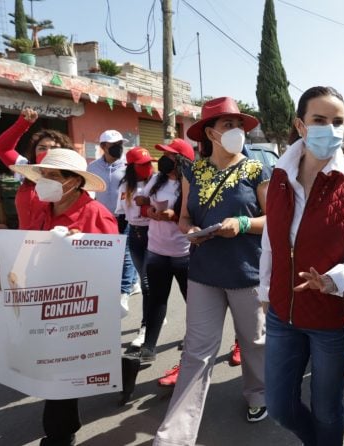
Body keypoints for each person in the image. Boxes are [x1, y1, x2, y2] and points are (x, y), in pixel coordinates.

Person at [153, 97, 270, 445]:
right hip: (203, 272)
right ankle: (174, 434)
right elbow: (186, 216)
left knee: (254, 342)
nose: (236, 131)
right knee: (197, 351)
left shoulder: (256, 169)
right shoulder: (193, 171)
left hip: (247, 272)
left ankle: (258, 394)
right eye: (227, 125)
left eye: (239, 125)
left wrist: (245, 222)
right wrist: (187, 230)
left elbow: (274, 219)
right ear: (210, 133)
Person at [260, 86, 344, 446]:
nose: (331, 129)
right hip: (282, 315)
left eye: (337, 121)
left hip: (330, 321)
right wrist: (265, 293)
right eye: (319, 120)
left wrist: (334, 279)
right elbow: (271, 242)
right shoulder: (279, 176)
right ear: (300, 125)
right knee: (279, 405)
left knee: (327, 409)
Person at [5, 148, 117, 446]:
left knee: (60, 373)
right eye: (43, 174)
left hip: (75, 309)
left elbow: (109, 266)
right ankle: (66, 424)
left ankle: (58, 436)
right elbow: (27, 244)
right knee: (51, 370)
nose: (44, 181)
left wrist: (80, 248)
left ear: (75, 182)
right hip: (42, 300)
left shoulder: (95, 214)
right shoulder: (44, 209)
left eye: (53, 176)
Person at [127, 139, 193, 366]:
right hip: (156, 250)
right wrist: (149, 209)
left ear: (182, 160)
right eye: (165, 155)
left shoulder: (190, 183)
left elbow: (193, 216)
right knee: (156, 299)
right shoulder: (157, 179)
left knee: (191, 300)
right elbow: (143, 202)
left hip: (183, 253)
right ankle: (149, 348)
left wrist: (172, 216)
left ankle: (193, 339)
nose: (164, 160)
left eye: (171, 156)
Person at [0, 107, 73, 229]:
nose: (47, 152)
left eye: (55, 148)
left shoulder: (73, 176)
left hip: (55, 243)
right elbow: (2, 147)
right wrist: (23, 124)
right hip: (26, 243)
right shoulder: (25, 168)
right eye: (42, 148)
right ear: (33, 152)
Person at [88, 130, 138, 317]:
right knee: (108, 253)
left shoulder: (128, 165)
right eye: (114, 145)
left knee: (124, 253)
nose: (119, 148)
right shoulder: (92, 168)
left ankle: (123, 292)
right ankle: (130, 282)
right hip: (102, 218)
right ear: (103, 147)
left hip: (124, 216)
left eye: (120, 144)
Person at [116, 147, 155, 348]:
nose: (148, 168)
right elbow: (121, 214)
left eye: (149, 163)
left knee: (147, 284)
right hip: (135, 236)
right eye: (142, 165)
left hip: (155, 235)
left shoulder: (158, 182)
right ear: (132, 167)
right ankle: (157, 314)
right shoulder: (125, 186)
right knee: (144, 281)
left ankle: (146, 327)